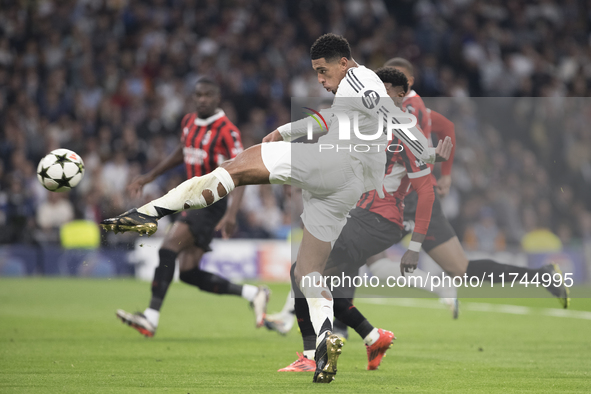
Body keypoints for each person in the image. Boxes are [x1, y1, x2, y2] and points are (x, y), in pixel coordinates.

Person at [101, 33, 452, 384]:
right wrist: (284, 131)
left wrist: (426, 151)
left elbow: (394, 116)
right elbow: (330, 120)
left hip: (334, 164)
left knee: (238, 167)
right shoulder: (350, 92)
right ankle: (324, 342)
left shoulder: (361, 78)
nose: (319, 79)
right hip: (348, 189)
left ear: (343, 63)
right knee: (308, 272)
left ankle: (150, 212)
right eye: (315, 72)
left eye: (322, 70)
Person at [115, 78, 270, 338]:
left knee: (167, 249)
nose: (202, 99)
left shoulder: (227, 130)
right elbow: (182, 151)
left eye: (208, 95)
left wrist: (232, 213)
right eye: (198, 95)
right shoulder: (188, 122)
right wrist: (150, 176)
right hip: (191, 198)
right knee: (188, 272)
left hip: (211, 202)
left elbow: (244, 170)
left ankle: (150, 318)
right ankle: (253, 293)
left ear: (217, 98)